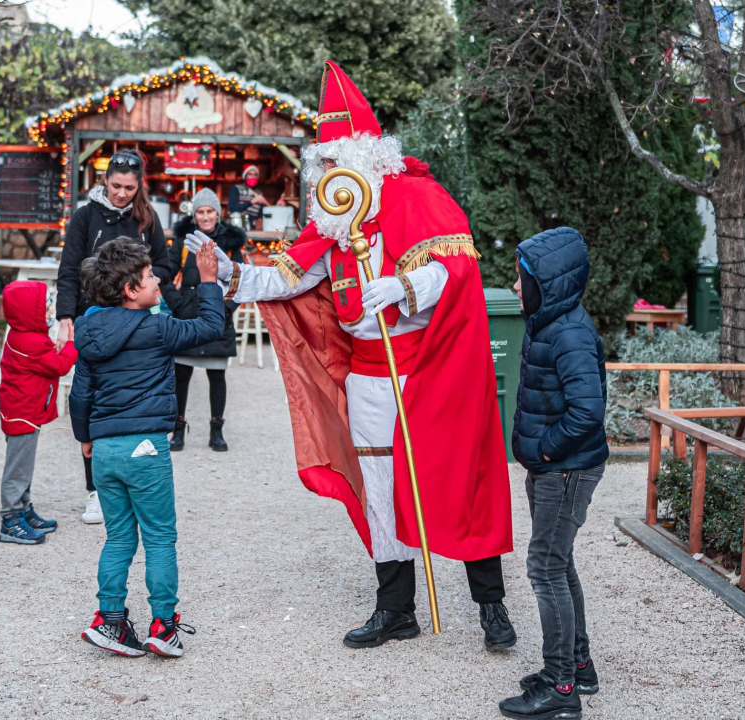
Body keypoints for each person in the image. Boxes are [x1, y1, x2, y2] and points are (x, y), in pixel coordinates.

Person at [184, 60, 516, 651]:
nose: (330, 172)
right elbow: (285, 280)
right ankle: (396, 608)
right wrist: (228, 270)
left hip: (429, 369)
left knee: (456, 477)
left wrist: (405, 286)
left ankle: (491, 605)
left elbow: (456, 271)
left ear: (367, 155)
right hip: (368, 372)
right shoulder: (334, 224)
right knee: (381, 486)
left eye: (339, 159)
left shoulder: (417, 197)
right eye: (324, 162)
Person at [71, 237, 224, 658]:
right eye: (150, 275)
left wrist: (85, 437)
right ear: (130, 290)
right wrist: (208, 281)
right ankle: (163, 626)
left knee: (118, 537)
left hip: (105, 448)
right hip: (146, 447)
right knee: (159, 537)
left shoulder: (89, 331)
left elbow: (80, 394)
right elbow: (210, 328)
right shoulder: (157, 328)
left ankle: (110, 621)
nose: (157, 280)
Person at [499, 228, 607, 720]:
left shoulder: (569, 334)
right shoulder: (550, 322)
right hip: (555, 469)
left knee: (544, 568)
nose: (515, 287)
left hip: (564, 470)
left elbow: (588, 412)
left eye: (521, 278)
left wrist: (543, 452)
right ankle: (579, 666)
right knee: (558, 563)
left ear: (547, 282)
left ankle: (560, 685)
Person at [56, 150, 172, 526]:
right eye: (116, 185)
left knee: (133, 402)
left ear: (140, 186)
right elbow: (68, 270)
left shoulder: (147, 218)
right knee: (93, 402)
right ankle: (95, 491)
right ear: (105, 180)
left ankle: (133, 485)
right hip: (94, 320)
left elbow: (164, 263)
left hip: (137, 321)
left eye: (129, 188)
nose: (121, 193)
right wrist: (65, 316)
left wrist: (146, 285)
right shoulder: (84, 216)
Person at [160, 188, 246, 452]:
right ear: (194, 214)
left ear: (217, 213)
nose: (206, 216)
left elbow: (239, 280)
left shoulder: (230, 242)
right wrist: (177, 304)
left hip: (218, 317)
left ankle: (216, 430)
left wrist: (225, 309)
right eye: (201, 211)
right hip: (187, 316)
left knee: (217, 374)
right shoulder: (183, 241)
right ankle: (178, 430)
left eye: (210, 211)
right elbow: (165, 275)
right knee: (181, 375)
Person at [0, 280, 77, 545]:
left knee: (24, 464)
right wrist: (71, 343)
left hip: (23, 409)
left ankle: (23, 508)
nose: (50, 313)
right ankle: (10, 519)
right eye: (45, 309)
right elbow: (60, 366)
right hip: (23, 412)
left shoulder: (24, 334)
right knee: (18, 467)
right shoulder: (30, 340)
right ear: (28, 313)